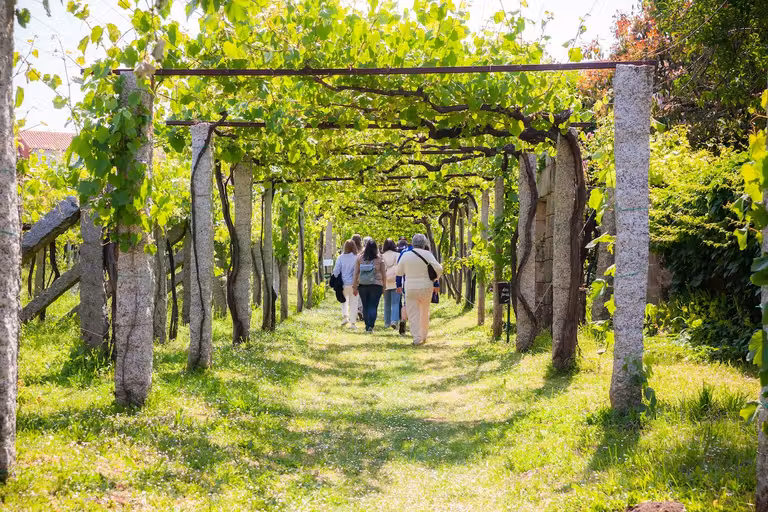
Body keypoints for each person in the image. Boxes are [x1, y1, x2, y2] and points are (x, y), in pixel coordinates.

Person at [395, 233, 443, 346]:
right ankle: (424, 335)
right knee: (424, 311)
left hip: (410, 287)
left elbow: (398, 272)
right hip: (426, 286)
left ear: (412, 243)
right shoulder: (428, 254)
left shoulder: (405, 255)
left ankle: (417, 338)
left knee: (413, 313)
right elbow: (439, 268)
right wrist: (435, 278)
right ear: (424, 244)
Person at [353, 239, 386, 333]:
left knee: (365, 305)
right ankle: (371, 325)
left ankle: (367, 325)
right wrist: (384, 286)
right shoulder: (380, 259)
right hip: (377, 285)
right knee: (373, 305)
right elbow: (384, 274)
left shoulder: (360, 258)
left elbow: (356, 273)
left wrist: (354, 286)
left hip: (363, 285)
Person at [332, 240, 359, 329]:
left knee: (344, 301)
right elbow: (358, 271)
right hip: (353, 284)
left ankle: (345, 317)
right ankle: (353, 323)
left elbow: (336, 271)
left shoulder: (340, 258)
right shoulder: (356, 258)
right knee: (354, 303)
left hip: (343, 284)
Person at [381, 238, 401, 328]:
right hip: (396, 281)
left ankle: (386, 323)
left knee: (387, 303)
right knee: (395, 303)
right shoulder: (398, 255)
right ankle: (394, 321)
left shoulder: (381, 256)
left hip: (385, 281)